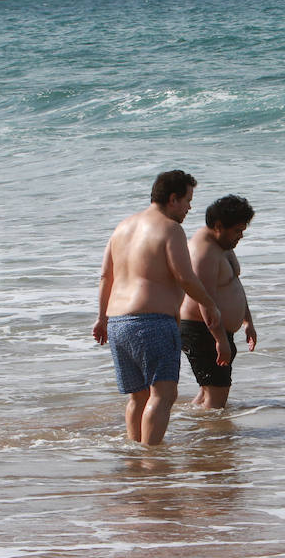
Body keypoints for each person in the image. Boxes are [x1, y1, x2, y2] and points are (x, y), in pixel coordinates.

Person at [93, 170, 226, 446]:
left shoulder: (122, 227)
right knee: (163, 395)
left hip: (118, 322)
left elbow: (106, 276)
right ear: (173, 198)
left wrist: (101, 319)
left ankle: (137, 458)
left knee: (138, 397)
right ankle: (151, 460)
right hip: (151, 322)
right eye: (188, 200)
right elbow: (185, 276)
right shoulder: (169, 228)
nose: (190, 207)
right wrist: (209, 303)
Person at [179, 195, 257, 410]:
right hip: (203, 330)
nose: (240, 236)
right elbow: (206, 301)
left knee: (209, 392)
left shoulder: (222, 243)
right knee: (216, 399)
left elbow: (234, 285)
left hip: (214, 330)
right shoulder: (204, 252)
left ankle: (194, 431)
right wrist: (220, 339)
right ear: (219, 226)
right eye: (238, 231)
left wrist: (246, 321)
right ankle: (212, 442)